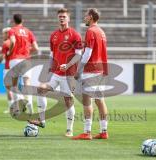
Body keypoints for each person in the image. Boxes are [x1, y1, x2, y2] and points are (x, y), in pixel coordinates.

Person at [31, 8, 83, 137]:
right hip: (56, 73)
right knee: (40, 89)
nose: (61, 18)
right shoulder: (53, 35)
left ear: (68, 18)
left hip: (68, 74)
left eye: (64, 16)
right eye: (60, 16)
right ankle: (41, 120)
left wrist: (69, 64)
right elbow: (53, 53)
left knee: (67, 101)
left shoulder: (75, 35)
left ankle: (69, 129)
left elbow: (78, 55)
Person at [71, 8, 109, 140]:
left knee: (87, 101)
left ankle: (87, 132)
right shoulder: (101, 32)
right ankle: (104, 131)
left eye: (86, 15)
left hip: (91, 70)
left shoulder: (91, 31)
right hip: (101, 70)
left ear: (91, 17)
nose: (84, 17)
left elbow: (87, 53)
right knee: (100, 100)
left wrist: (78, 70)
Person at [7, 14, 47, 126]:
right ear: (22, 20)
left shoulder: (12, 30)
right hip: (26, 60)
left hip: (15, 59)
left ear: (13, 20)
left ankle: (18, 107)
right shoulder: (28, 31)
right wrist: (28, 52)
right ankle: (29, 105)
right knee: (27, 82)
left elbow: (13, 41)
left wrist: (10, 51)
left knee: (14, 84)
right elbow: (36, 48)